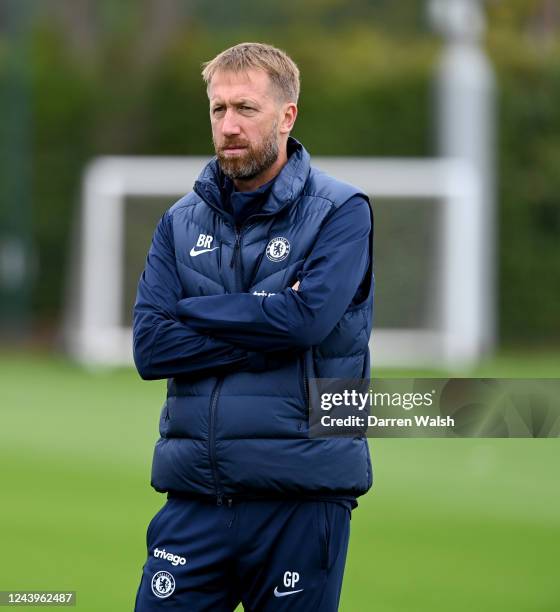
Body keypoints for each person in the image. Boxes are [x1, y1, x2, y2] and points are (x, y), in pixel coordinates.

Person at [133, 42, 374, 611]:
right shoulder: (178, 221)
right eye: (219, 110)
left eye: (246, 109)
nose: (229, 126)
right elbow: (150, 347)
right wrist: (266, 322)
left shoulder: (342, 211)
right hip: (195, 495)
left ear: (287, 116)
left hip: (301, 492)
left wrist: (195, 311)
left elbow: (305, 323)